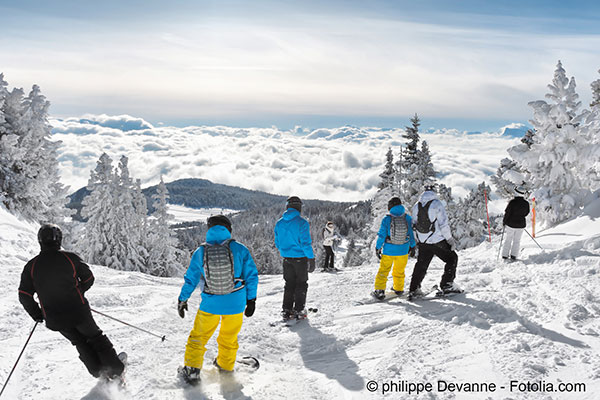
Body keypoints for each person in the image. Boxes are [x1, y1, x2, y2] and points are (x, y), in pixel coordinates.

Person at [18, 224, 125, 380]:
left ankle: (99, 373)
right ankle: (115, 371)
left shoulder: (31, 266)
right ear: (59, 240)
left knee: (79, 342)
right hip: (78, 311)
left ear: (40, 241)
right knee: (96, 338)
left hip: (54, 318)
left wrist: (37, 313)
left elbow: (24, 295)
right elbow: (88, 278)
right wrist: (78, 292)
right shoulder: (70, 258)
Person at [177, 215, 258, 385]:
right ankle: (225, 366)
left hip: (210, 303)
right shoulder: (240, 249)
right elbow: (251, 276)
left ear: (209, 229)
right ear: (228, 229)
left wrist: (183, 299)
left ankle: (192, 370)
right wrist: (251, 300)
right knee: (228, 337)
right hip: (235, 304)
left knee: (198, 336)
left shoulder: (201, 251)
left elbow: (191, 278)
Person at [408, 185, 461, 299]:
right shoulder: (437, 204)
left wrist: (417, 239)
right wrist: (450, 240)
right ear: (434, 192)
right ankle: (447, 285)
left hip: (423, 241)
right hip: (437, 240)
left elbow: (413, 224)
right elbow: (443, 224)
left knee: (421, 264)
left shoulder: (416, 206)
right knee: (452, 258)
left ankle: (414, 288)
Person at [274, 196, 316, 320]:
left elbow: (277, 242)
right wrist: (311, 258)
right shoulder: (302, 223)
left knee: (289, 284)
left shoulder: (279, 223)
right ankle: (298, 310)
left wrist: (285, 250)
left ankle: (286, 309)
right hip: (300, 258)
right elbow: (305, 243)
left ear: (287, 206)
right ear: (299, 208)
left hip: (286, 258)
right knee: (301, 284)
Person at [372, 197, 416, 300]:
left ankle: (379, 290)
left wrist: (378, 248)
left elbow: (382, 235)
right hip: (403, 250)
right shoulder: (407, 218)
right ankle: (398, 288)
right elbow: (411, 234)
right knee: (399, 270)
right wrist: (413, 246)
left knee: (384, 270)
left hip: (389, 250)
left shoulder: (387, 219)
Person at [501, 185, 530, 261]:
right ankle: (514, 255)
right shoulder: (526, 203)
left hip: (511, 224)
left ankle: (505, 255)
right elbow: (526, 213)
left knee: (508, 239)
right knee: (517, 240)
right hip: (521, 225)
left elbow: (507, 213)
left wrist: (504, 222)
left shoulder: (512, 202)